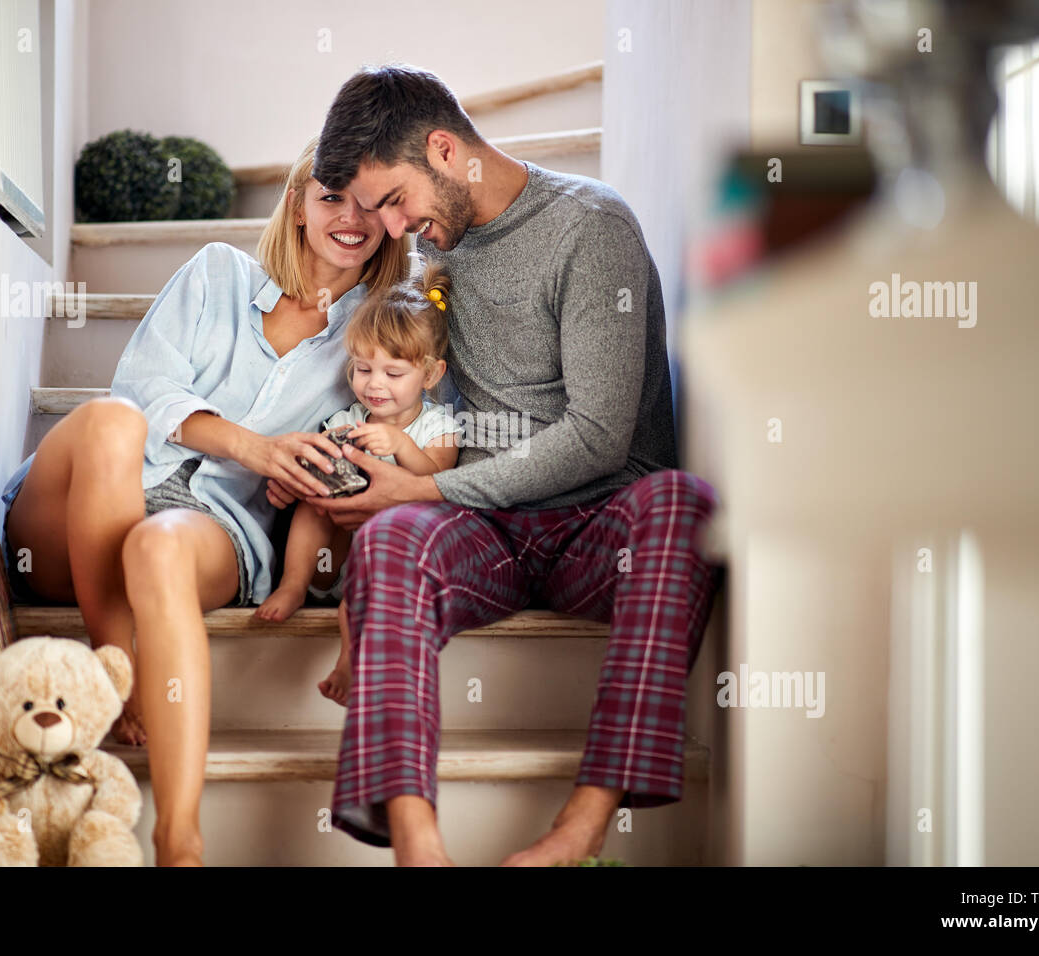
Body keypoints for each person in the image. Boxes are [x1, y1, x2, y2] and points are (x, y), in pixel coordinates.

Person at [289, 65, 722, 866]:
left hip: (600, 522)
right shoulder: (436, 253)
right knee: (391, 544)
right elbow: (416, 388)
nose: (391, 226)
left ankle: (578, 831)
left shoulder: (591, 228)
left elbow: (596, 435)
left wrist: (426, 484)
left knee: (682, 504)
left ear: (445, 151)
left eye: (393, 200)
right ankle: (419, 848)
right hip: (486, 529)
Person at [0, 137, 410, 865]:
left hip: (216, 525)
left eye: (374, 204)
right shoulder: (218, 272)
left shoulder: (379, 334)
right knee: (112, 420)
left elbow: (408, 437)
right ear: (297, 203)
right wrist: (257, 445)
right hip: (81, 510)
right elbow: (145, 389)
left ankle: (178, 839)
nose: (351, 217)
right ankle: (115, 670)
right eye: (333, 195)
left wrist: (324, 470)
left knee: (155, 543)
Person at [253, 263, 463, 705]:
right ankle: (293, 583)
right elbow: (313, 465)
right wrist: (298, 482)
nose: (374, 385)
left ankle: (349, 659)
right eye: (363, 369)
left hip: (384, 557)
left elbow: (439, 484)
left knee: (378, 552)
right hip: (331, 554)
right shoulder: (346, 419)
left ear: (430, 374)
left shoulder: (437, 427)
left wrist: (401, 444)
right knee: (313, 502)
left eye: (393, 373)